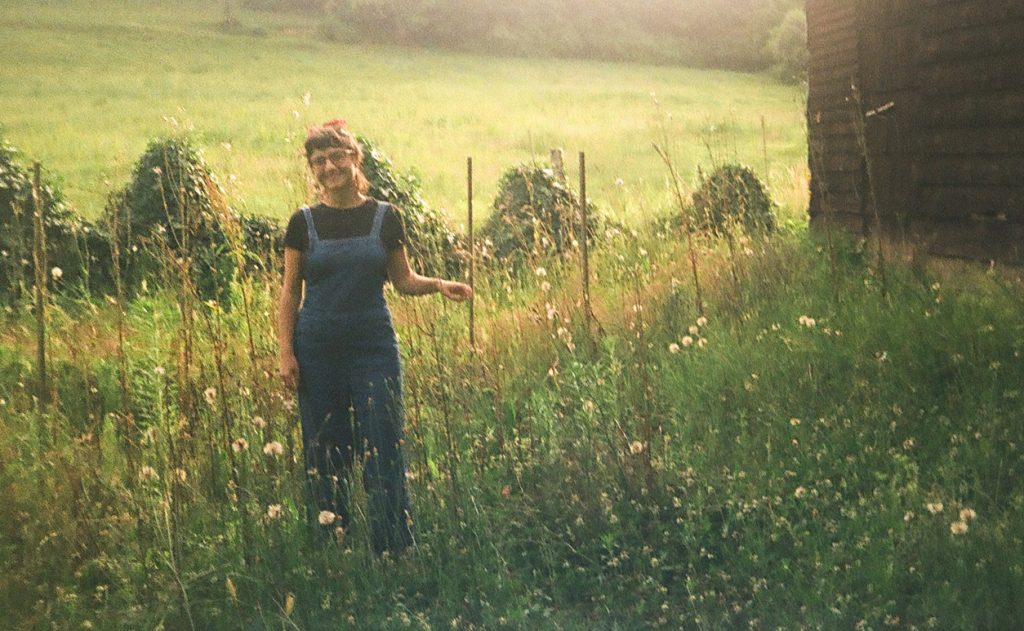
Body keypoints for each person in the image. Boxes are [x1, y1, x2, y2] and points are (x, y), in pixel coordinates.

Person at [277, 120, 471, 555]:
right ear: (312, 169)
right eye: (319, 161)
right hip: (317, 350)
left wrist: (439, 285)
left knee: (384, 440)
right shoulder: (302, 223)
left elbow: (402, 280)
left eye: (337, 157)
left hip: (373, 348)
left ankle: (392, 547)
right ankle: (334, 544)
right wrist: (285, 352)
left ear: (354, 158)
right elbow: (290, 293)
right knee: (326, 449)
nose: (329, 167)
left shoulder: (385, 217)